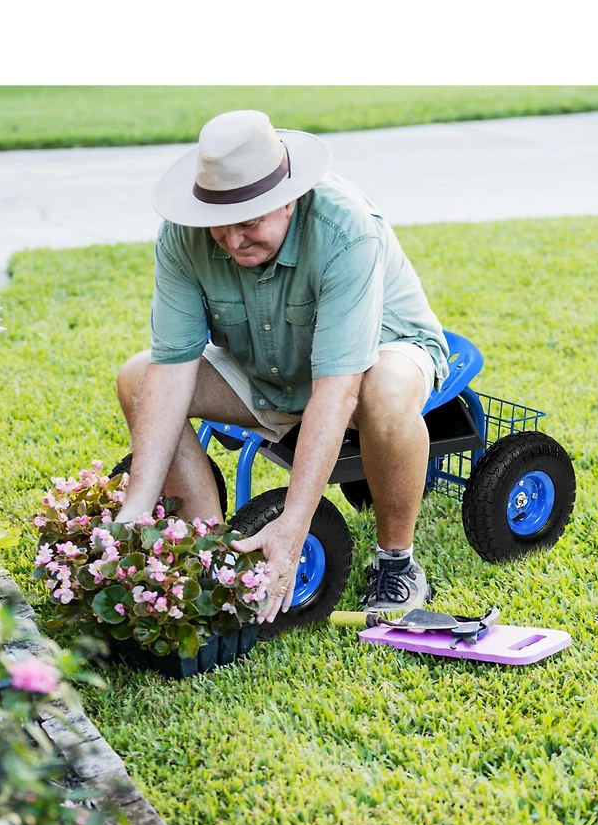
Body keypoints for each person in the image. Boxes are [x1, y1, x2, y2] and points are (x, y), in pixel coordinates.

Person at [115, 110, 449, 628]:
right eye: (217, 225)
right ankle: (210, 552)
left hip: (381, 355)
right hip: (269, 367)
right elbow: (172, 365)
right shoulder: (183, 236)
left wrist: (293, 526)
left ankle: (396, 562)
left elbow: (338, 388)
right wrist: (136, 505)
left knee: (381, 390)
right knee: (137, 378)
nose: (230, 241)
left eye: (248, 223)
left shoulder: (344, 229)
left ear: (286, 200)